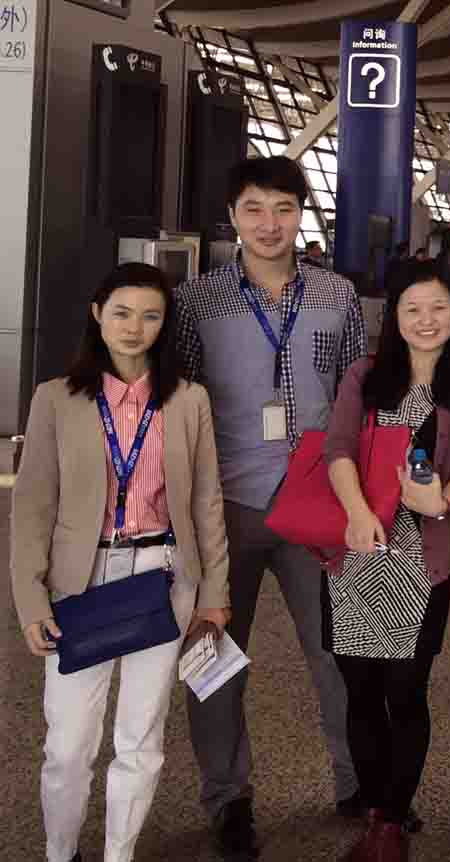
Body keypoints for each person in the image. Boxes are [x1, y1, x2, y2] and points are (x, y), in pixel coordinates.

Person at [175, 155, 367, 857]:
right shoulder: (196, 301)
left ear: (301, 216)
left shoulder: (337, 295)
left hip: (317, 505)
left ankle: (357, 782)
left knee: (339, 653)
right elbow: (178, 399)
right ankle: (228, 800)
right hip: (223, 507)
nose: (269, 223)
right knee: (214, 656)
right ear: (232, 216)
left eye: (284, 208)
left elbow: (355, 392)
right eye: (254, 208)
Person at [12, 263, 231, 862]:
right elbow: (32, 506)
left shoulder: (188, 400)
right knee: (68, 744)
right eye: (122, 313)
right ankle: (61, 852)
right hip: (79, 583)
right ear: (98, 315)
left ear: (165, 324)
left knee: (141, 738)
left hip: (163, 577)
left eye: (150, 316)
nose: (135, 327)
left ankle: (118, 854)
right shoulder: (56, 398)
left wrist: (214, 594)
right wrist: (30, 599)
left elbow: (206, 502)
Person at [323, 261, 450, 862]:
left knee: (406, 692)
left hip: (421, 560)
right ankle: (377, 813)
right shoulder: (365, 375)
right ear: (394, 316)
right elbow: (337, 447)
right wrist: (355, 511)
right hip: (357, 553)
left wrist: (442, 502)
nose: (426, 320)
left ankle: (391, 826)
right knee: (361, 692)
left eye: (439, 308)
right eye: (413, 309)